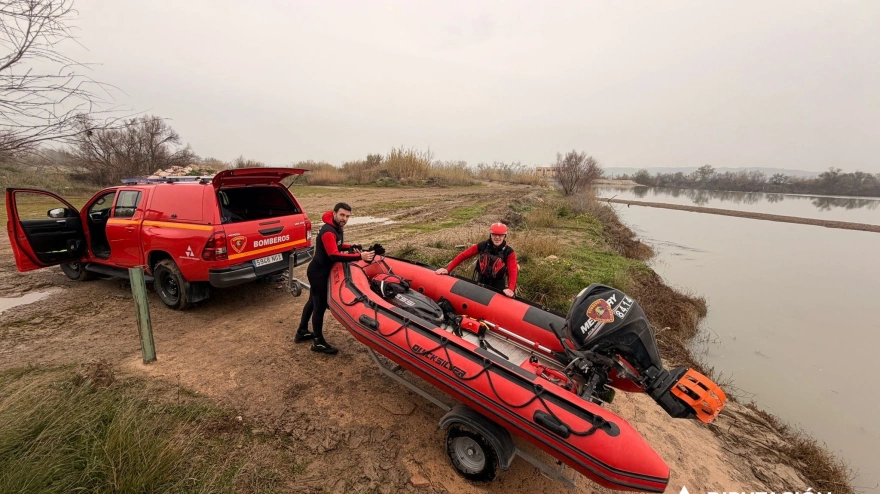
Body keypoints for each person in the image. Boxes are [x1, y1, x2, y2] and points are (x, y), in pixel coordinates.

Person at [295, 202, 375, 354]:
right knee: (319, 306)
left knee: (312, 301)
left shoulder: (337, 228)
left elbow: (336, 245)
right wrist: (360, 256)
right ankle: (318, 342)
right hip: (318, 273)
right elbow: (333, 254)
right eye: (342, 215)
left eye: (347, 216)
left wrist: (349, 246)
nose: (344, 218)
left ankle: (302, 331)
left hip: (320, 271)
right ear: (334, 213)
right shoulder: (328, 231)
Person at [435, 222, 518, 297]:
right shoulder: (483, 245)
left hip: (498, 284)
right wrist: (448, 269)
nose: (497, 237)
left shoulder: (509, 252)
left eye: (500, 235)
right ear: (490, 235)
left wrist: (510, 289)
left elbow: (513, 271)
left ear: (504, 236)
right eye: (494, 235)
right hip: (481, 281)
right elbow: (463, 256)